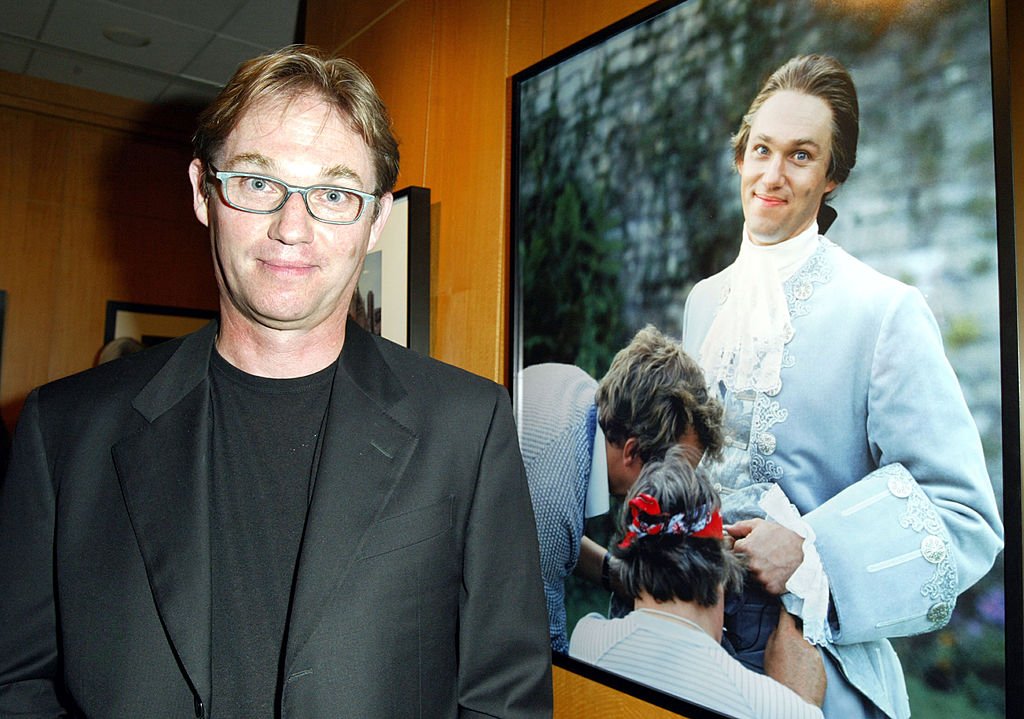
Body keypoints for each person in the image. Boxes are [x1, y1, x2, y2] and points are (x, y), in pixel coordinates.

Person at [0, 45, 552, 718]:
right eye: (260, 183)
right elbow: (15, 681)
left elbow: (506, 701)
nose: (292, 227)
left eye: (333, 193)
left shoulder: (467, 429)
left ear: (375, 221)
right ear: (205, 192)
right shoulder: (64, 429)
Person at [681, 54, 1004, 719]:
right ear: (741, 156)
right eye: (762, 150)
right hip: (688, 655)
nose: (772, 175)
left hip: (812, 673)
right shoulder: (702, 304)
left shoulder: (884, 310)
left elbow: (965, 514)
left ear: (832, 176)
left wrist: (810, 551)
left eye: (800, 156)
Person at [570, 447, 826, 719]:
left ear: (631, 565)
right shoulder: (771, 706)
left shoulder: (587, 642)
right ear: (721, 572)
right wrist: (802, 703)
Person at [518, 324, 724, 653]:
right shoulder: (554, 494)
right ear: (631, 451)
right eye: (671, 475)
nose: (671, 495)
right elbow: (543, 658)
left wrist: (617, 575)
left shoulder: (573, 387)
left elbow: (539, 538)